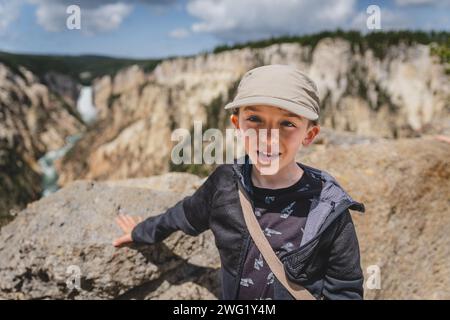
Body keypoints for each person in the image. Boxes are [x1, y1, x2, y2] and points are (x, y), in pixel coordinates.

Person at [113, 64, 365, 300]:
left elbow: (344, 288)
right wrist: (142, 231)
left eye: (287, 123)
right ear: (237, 125)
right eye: (255, 119)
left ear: (309, 135)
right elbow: (184, 214)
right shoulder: (223, 184)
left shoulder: (328, 207)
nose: (269, 138)